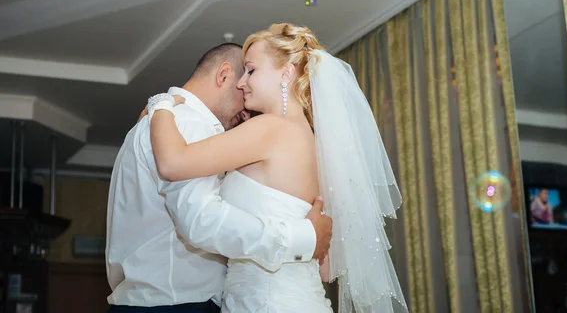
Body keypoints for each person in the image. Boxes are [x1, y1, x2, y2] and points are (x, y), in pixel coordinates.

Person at [147, 24, 408, 312]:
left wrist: (161, 104)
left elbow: (173, 163)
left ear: (286, 73)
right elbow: (325, 268)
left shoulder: (270, 129)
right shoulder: (313, 142)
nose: (241, 82)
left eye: (251, 70)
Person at [105, 42, 333, 313]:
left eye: (252, 73)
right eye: (243, 78)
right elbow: (201, 220)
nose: (246, 103)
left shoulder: (166, 122)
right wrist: (302, 238)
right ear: (224, 76)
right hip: (175, 303)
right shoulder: (187, 123)